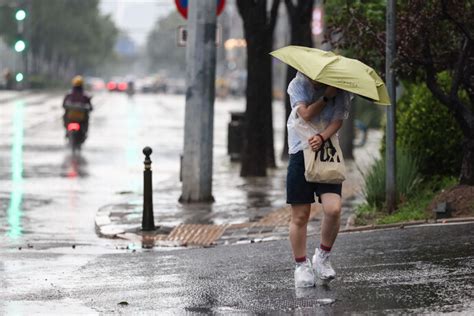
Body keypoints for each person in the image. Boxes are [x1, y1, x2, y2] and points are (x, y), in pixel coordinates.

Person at [286, 71, 352, 288]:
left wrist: (322, 137)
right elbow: (304, 114)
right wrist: (325, 97)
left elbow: (338, 120)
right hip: (300, 152)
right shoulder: (298, 84)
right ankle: (301, 265)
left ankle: (322, 256)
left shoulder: (339, 88)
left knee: (333, 209)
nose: (317, 80)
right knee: (300, 214)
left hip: (327, 152)